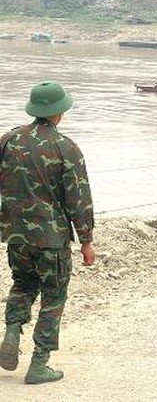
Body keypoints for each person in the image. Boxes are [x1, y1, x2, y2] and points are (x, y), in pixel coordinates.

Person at [0, 82, 95, 384]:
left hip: (16, 236)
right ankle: (39, 364)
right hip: (51, 239)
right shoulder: (67, 147)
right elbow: (78, 200)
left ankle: (12, 333)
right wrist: (86, 241)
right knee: (53, 297)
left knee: (22, 285)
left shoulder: (8, 141)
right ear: (59, 113)